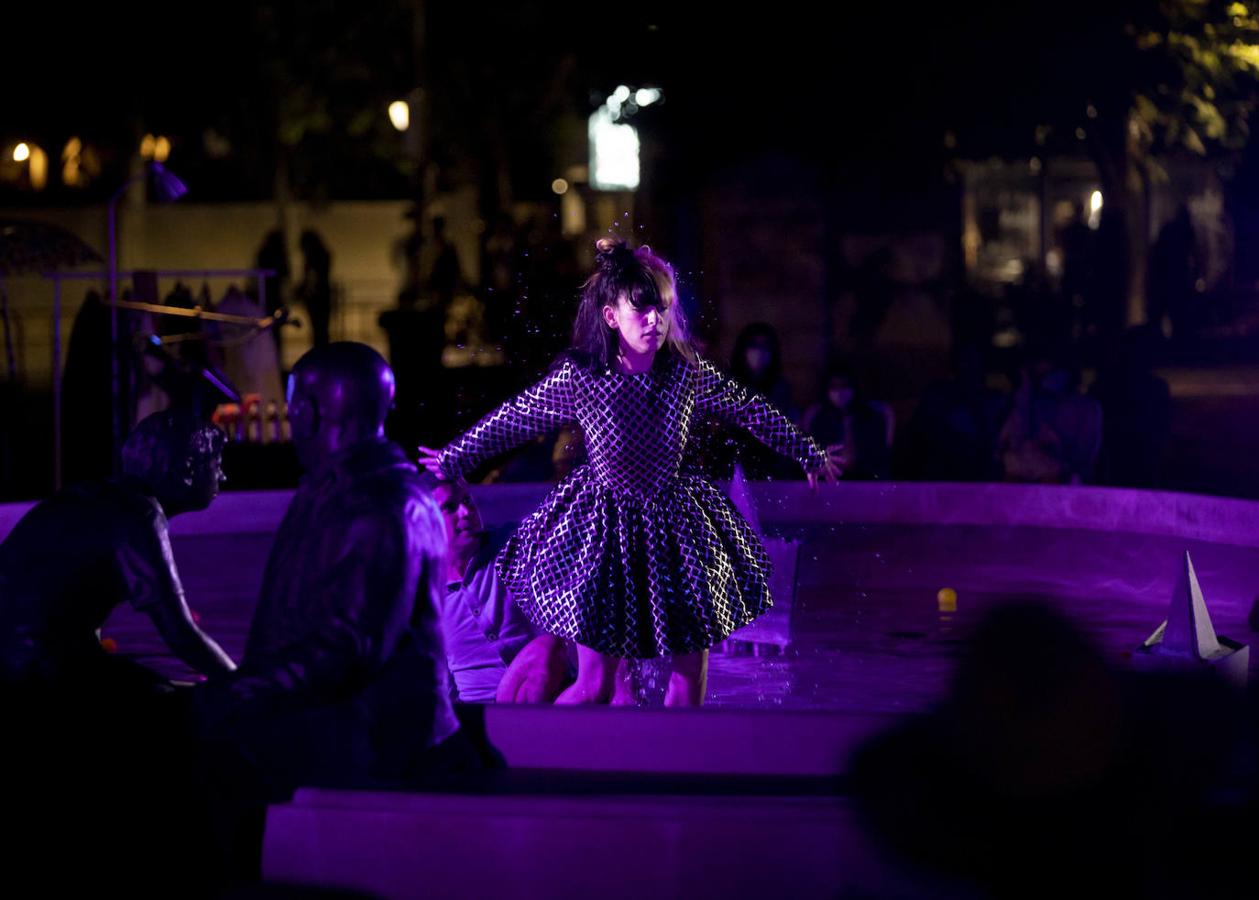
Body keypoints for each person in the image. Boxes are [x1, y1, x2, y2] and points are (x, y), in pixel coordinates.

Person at [421, 239, 844, 706]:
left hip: (677, 528)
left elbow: (748, 408)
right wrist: (453, 457)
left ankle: (677, 771)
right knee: (595, 684)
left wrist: (807, 451)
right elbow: (515, 419)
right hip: (602, 533)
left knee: (688, 678)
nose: (654, 321)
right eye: (641, 311)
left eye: (661, 310)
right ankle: (551, 756)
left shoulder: (687, 372)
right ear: (610, 316)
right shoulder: (581, 377)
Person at [194, 343, 465, 797]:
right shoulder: (336, 490)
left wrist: (231, 695)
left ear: (308, 411)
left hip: (378, 746)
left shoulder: (383, 503)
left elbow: (347, 647)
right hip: (346, 729)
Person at [0, 409, 235, 690]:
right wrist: (245, 685)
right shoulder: (140, 516)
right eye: (216, 464)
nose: (223, 476)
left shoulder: (101, 496)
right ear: (187, 469)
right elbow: (181, 635)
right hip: (28, 665)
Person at [432, 477, 570, 703]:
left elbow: (564, 520)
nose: (466, 512)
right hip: (477, 711)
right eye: (450, 507)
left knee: (547, 647)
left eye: (468, 500)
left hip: (540, 692)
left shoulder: (511, 545)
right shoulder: (424, 590)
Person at [802, 360, 891, 480]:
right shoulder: (819, 419)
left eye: (844, 386)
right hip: (828, 480)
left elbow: (877, 458)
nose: (839, 392)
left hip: (865, 480)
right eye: (834, 387)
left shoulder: (871, 418)